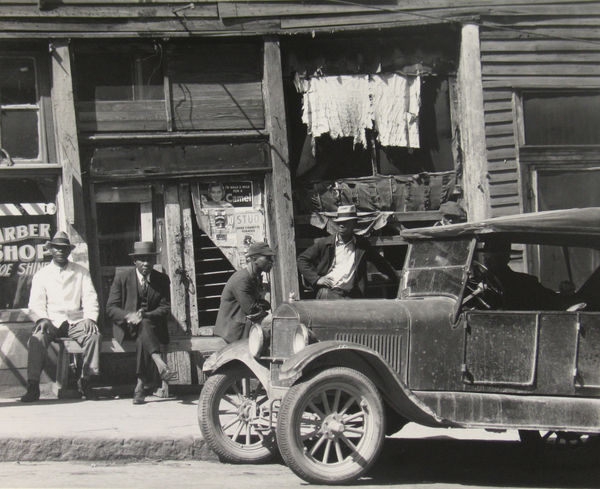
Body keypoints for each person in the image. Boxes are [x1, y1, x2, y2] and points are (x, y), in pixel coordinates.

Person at [21, 231, 101, 402]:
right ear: (51, 250)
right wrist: (42, 318)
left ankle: (86, 381)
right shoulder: (42, 275)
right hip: (52, 321)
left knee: (94, 336)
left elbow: (90, 297)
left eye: (64, 249)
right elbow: (35, 303)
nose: (60, 251)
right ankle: (33, 386)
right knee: (37, 338)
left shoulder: (81, 272)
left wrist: (90, 318)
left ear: (69, 251)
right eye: (56, 248)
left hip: (75, 320)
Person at [106, 241, 174, 405]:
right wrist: (129, 316)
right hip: (127, 328)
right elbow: (110, 308)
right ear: (134, 261)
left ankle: (141, 384)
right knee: (143, 325)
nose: (146, 263)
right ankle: (158, 363)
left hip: (152, 328)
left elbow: (165, 308)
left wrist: (147, 315)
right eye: (142, 260)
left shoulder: (162, 279)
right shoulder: (122, 278)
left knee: (144, 324)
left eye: (149, 260)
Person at [297, 205, 398, 299]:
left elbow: (381, 263)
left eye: (345, 222)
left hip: (352, 295)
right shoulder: (325, 243)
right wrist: (316, 279)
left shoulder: (361, 245)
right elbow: (302, 260)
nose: (341, 225)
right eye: (339, 222)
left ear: (354, 224)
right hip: (329, 293)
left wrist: (399, 280)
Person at [213, 242, 275, 343]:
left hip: (242, 329)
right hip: (231, 334)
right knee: (274, 323)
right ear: (254, 259)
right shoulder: (242, 279)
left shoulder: (255, 277)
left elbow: (259, 304)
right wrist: (265, 309)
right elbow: (251, 310)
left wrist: (262, 305)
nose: (271, 262)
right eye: (267, 258)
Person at [480, 240, 558, 310]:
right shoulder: (475, 283)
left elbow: (551, 300)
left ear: (507, 257)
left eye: (495, 256)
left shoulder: (527, 283)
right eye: (486, 256)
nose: (487, 260)